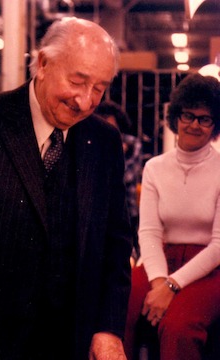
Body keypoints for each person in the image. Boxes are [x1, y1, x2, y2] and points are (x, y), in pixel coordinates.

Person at [0, 17, 133, 360]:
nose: (85, 102)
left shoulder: (104, 140)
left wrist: (108, 328)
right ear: (42, 64)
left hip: (71, 339)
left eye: (99, 88)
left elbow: (116, 243)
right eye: (77, 81)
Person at [123, 73, 220, 360]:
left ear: (215, 126)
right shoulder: (154, 167)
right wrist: (159, 283)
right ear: (175, 116)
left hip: (209, 268)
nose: (194, 124)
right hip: (160, 261)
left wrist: (172, 286)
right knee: (115, 307)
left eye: (205, 119)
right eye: (188, 115)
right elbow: (149, 232)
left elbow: (218, 245)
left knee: (178, 326)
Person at [95, 100, 143, 259]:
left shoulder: (132, 144)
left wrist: (115, 154)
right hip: (98, 209)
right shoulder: (92, 143)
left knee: (126, 253)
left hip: (127, 209)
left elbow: (126, 176)